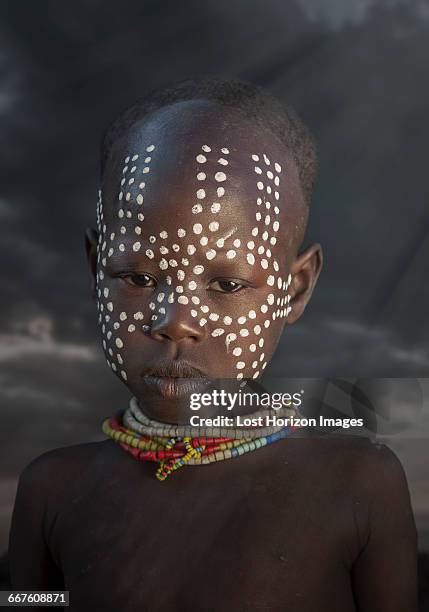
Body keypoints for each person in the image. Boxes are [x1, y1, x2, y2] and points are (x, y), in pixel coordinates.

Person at [8, 79, 418, 611]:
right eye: (136, 276)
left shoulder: (363, 485)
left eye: (226, 286)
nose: (176, 321)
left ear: (294, 288)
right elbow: (25, 604)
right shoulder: (52, 490)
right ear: (95, 269)